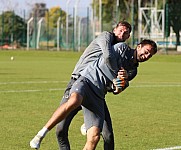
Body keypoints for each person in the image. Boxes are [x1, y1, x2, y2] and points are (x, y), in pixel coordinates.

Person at [30, 39, 157, 150]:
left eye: (149, 56)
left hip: (98, 94)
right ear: (139, 46)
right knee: (74, 101)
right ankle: (41, 134)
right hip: (87, 80)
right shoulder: (122, 47)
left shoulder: (133, 71)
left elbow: (115, 89)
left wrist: (120, 85)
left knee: (95, 137)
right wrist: (117, 73)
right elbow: (107, 59)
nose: (146, 56)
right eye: (146, 51)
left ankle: (87, 124)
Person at [56, 21, 133, 150]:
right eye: (120, 30)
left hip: (96, 91)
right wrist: (116, 77)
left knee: (107, 135)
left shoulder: (121, 54)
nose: (122, 34)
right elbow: (108, 56)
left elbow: (117, 86)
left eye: (125, 33)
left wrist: (119, 85)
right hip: (76, 83)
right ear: (114, 30)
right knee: (60, 129)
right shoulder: (106, 37)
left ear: (128, 37)